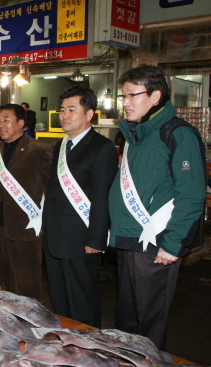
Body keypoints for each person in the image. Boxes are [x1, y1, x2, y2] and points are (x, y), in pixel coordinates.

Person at [108, 64, 206, 350]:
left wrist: (173, 243)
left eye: (132, 95)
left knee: (149, 324)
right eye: (122, 96)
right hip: (128, 240)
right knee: (126, 319)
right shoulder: (135, 136)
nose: (125, 102)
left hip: (155, 243)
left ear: (155, 96)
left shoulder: (178, 134)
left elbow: (191, 195)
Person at [43, 86, 118, 328]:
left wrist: (96, 240)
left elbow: (102, 197)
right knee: (60, 299)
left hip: (81, 239)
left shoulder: (102, 148)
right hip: (55, 237)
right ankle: (66, 345)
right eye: (62, 110)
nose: (64, 115)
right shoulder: (61, 146)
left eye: (72, 110)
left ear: (89, 114)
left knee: (82, 301)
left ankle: (88, 349)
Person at [0, 103, 52, 299]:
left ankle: (32, 322)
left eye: (6, 120)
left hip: (27, 226)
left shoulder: (40, 150)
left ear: (21, 123)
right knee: (5, 277)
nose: (1, 125)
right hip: (0, 225)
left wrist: (46, 223)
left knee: (27, 282)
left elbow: (50, 189)